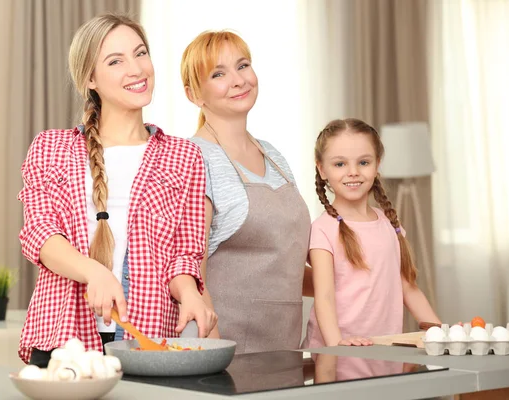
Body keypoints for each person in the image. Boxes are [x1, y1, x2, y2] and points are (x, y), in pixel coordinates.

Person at [17, 13, 216, 367]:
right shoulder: (51, 148)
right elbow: (40, 235)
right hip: (63, 342)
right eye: (115, 60)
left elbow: (184, 255)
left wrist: (190, 295)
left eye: (141, 54)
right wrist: (95, 272)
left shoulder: (184, 156)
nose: (136, 69)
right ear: (90, 78)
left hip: (149, 341)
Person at [180, 30, 312, 354]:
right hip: (227, 356)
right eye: (218, 74)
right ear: (194, 94)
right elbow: (191, 273)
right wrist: (214, 359)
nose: (238, 80)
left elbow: (286, 262)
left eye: (243, 65)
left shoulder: (273, 155)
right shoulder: (194, 159)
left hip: (283, 353)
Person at [302, 118, 441, 349]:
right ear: (322, 169)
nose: (353, 172)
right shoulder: (322, 230)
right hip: (338, 354)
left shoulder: (388, 223)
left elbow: (408, 287)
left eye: (363, 162)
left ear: (377, 166)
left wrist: (440, 331)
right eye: (340, 164)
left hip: (383, 352)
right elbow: (324, 297)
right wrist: (338, 344)